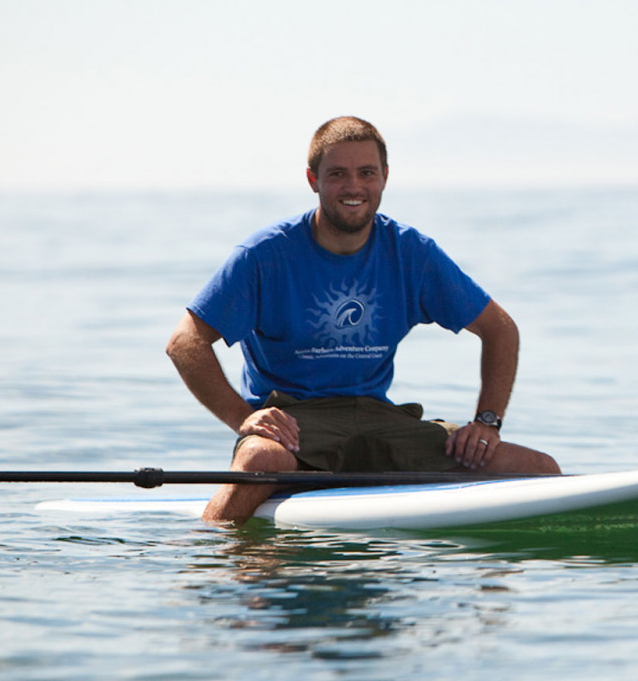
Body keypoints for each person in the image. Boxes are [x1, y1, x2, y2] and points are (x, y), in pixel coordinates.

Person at [166, 116, 560, 523]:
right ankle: (210, 556)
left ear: (385, 177)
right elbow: (184, 342)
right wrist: (242, 417)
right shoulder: (265, 255)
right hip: (297, 424)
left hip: (380, 419)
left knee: (539, 470)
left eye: (366, 173)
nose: (354, 187)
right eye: (338, 174)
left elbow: (500, 329)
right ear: (312, 179)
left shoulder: (410, 252)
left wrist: (486, 422)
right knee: (260, 456)